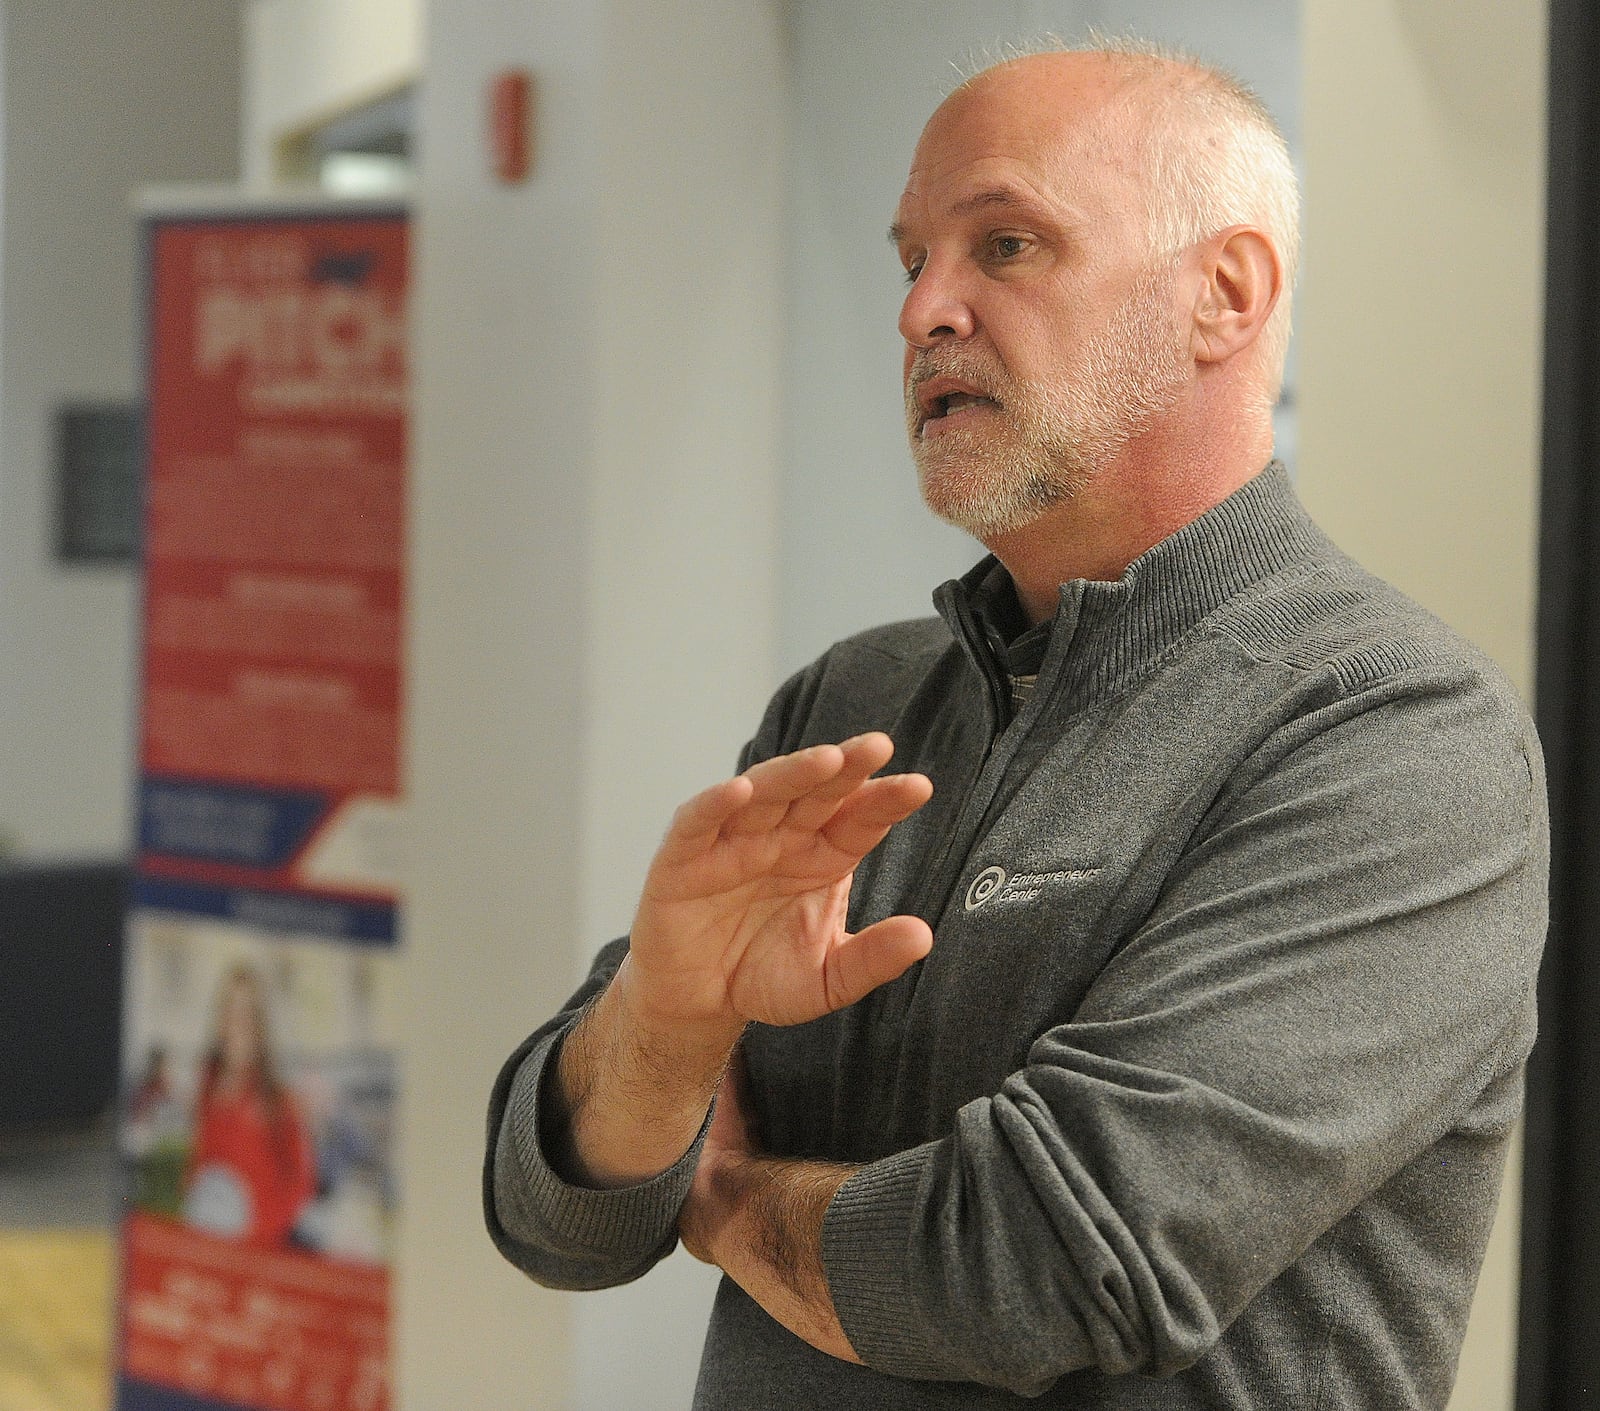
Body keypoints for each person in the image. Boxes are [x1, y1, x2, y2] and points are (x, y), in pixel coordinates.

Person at [485, 39, 1547, 1409]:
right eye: (911, 256)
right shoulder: (852, 702)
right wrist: (663, 1019)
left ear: (1225, 293)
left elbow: (1050, 1266)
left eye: (1007, 243)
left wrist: (732, 1190)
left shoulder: (1391, 732)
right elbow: (559, 1214)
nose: (926, 307)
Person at [184, 961, 316, 1249]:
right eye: (228, 1009)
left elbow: (301, 1184)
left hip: (258, 1254)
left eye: (245, 1012)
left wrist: (254, 1226)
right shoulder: (207, 1085)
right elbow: (198, 1161)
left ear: (259, 1024)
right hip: (209, 1246)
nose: (235, 1022)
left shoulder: (276, 1097)